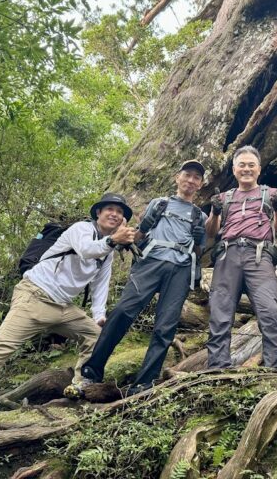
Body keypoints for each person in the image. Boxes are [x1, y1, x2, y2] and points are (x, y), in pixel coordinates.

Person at [0, 194, 136, 431]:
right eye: (109, 209)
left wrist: (99, 315)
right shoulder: (81, 229)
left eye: (120, 212)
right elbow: (86, 250)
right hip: (34, 296)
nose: (115, 214)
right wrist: (112, 241)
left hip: (63, 307)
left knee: (96, 336)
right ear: (98, 213)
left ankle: (82, 388)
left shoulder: (107, 253)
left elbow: (101, 284)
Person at [78, 160, 208, 396]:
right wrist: (135, 231)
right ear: (177, 178)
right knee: (122, 313)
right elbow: (138, 237)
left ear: (200, 184)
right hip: (150, 263)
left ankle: (144, 383)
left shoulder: (200, 216)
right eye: (187, 175)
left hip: (180, 270)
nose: (191, 180)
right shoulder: (159, 204)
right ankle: (91, 372)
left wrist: (201, 239)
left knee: (165, 327)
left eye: (196, 178)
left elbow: (199, 253)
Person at [206, 145, 277, 369]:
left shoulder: (270, 194)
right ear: (234, 169)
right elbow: (211, 232)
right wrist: (214, 212)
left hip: (259, 255)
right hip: (227, 255)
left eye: (251, 165)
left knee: (268, 309)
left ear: (259, 169)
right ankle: (217, 366)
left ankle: (275, 368)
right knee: (220, 310)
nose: (246, 169)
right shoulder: (225, 198)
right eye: (242, 165)